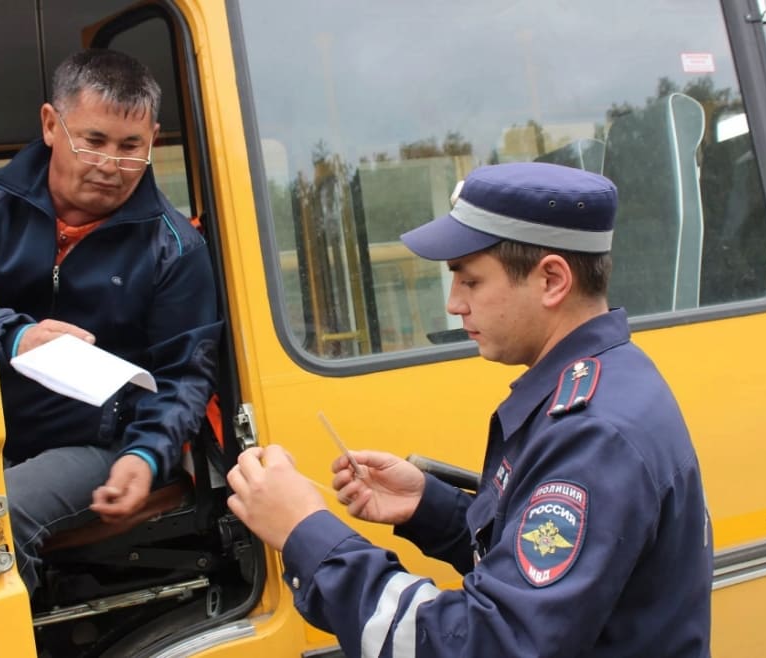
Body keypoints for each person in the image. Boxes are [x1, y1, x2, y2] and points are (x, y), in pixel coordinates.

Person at [226, 162, 712, 656]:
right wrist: (429, 508)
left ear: (551, 280)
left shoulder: (593, 436)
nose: (454, 304)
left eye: (470, 281)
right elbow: (532, 571)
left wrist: (306, 532)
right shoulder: (610, 382)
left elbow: (484, 644)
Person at [0, 49, 221, 595]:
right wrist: (15, 336)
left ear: (152, 139)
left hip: (103, 442)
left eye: (131, 147)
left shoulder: (176, 248)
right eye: (93, 140)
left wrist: (145, 456)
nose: (110, 165)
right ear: (50, 125)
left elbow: (184, 377)